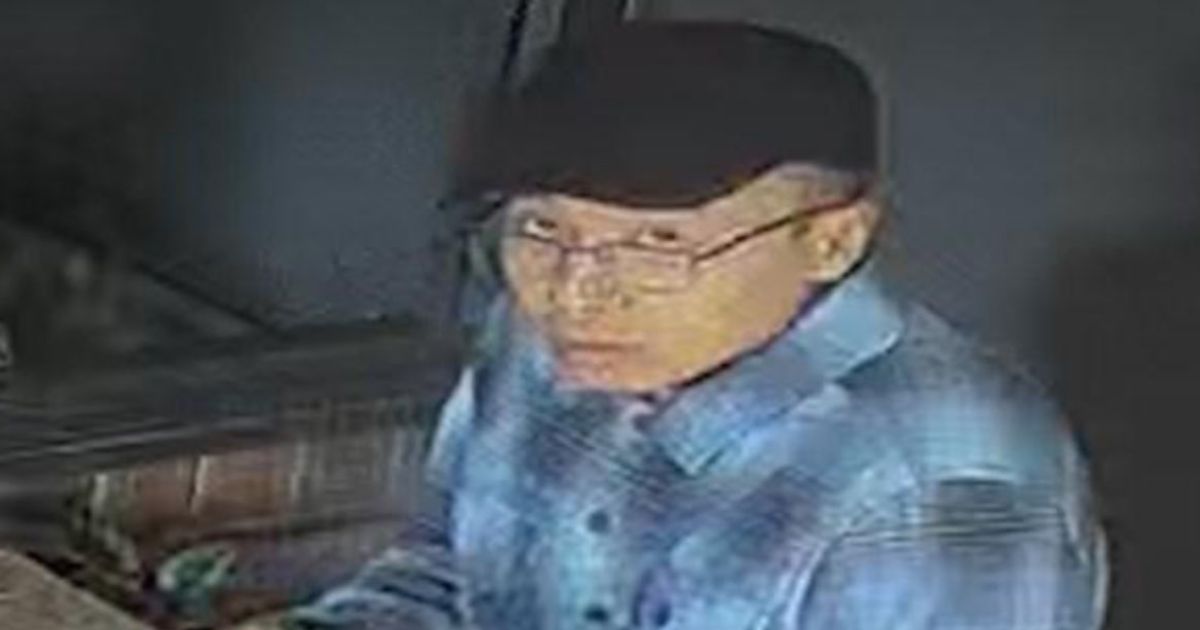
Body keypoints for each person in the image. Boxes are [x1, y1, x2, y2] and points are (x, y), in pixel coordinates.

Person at [276, 20, 1109, 630]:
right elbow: (441, 572)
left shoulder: (940, 494)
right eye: (542, 228)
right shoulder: (544, 333)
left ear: (833, 239)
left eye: (658, 245)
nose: (576, 293)